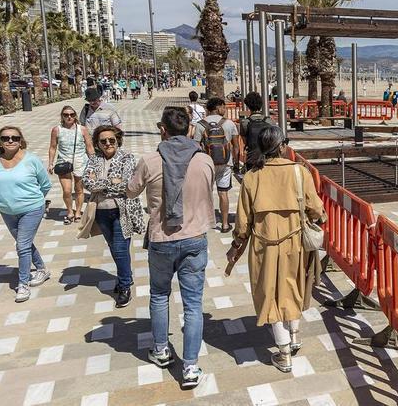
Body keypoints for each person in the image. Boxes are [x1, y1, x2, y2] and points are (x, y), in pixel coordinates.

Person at [127, 107, 215, 389]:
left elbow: (131, 190)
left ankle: (162, 349)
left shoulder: (150, 160)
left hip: (162, 239)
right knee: (193, 305)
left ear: (161, 129)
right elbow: (206, 191)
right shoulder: (203, 160)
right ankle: (190, 367)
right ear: (190, 130)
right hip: (194, 238)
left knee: (160, 295)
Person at [227, 126, 325, 373]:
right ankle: (294, 338)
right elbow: (316, 209)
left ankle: (283, 353)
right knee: (292, 287)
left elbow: (242, 222)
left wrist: (236, 244)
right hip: (295, 243)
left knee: (269, 293)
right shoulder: (299, 172)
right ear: (282, 146)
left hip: (263, 245)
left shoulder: (252, 177)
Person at [80, 125, 144, 307]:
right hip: (101, 210)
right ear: (97, 143)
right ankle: (125, 278)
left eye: (111, 140)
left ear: (118, 140)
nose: (108, 143)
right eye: (103, 141)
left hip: (121, 210)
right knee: (113, 247)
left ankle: (124, 286)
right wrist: (110, 182)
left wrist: (99, 183)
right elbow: (86, 182)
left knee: (120, 249)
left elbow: (126, 185)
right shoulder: (94, 159)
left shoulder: (127, 158)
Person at [0, 126, 52, 302]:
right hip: (7, 211)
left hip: (31, 209)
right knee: (24, 243)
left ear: (21, 140)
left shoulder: (31, 160)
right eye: (6, 138)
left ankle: (23, 284)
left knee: (22, 246)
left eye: (15, 138)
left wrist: (34, 201)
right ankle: (41, 269)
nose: (10, 141)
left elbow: (45, 184)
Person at [194, 97, 239, 232]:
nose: (224, 109)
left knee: (206, 193)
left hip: (207, 163)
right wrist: (235, 162)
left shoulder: (200, 124)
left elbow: (196, 145)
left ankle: (205, 222)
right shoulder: (229, 124)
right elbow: (236, 146)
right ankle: (225, 224)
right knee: (223, 193)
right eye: (223, 107)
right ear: (218, 107)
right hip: (225, 164)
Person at [47, 106, 94, 224]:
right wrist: (50, 163)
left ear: (75, 116)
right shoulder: (56, 130)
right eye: (66, 115)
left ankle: (78, 211)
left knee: (79, 189)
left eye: (72, 114)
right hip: (63, 161)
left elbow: (89, 147)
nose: (69, 117)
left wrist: (94, 163)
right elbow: (53, 147)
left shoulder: (82, 129)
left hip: (80, 161)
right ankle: (69, 211)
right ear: (62, 116)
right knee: (67, 190)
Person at [239, 92, 273, 170]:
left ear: (248, 106)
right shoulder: (269, 121)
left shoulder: (245, 122)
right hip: (268, 157)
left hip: (252, 157)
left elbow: (244, 142)